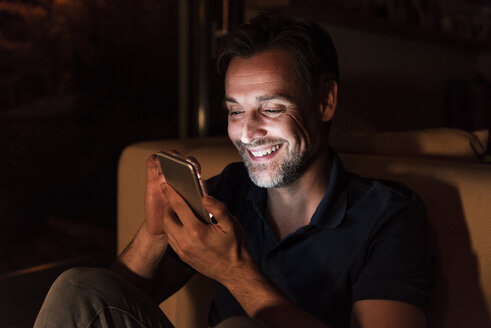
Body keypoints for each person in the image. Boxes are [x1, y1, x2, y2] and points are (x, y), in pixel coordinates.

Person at [34, 13, 434, 328]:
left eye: (272, 108)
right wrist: (154, 233)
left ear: (325, 102)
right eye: (235, 111)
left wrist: (235, 273)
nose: (247, 133)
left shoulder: (389, 215)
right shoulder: (230, 189)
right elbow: (109, 308)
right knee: (79, 286)